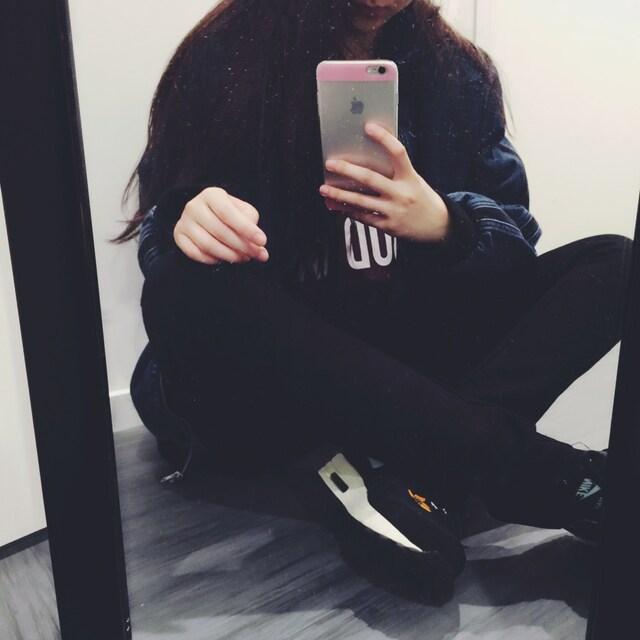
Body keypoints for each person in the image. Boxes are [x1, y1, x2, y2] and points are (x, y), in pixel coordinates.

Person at [114, 0, 631, 601]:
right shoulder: (228, 51)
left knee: (616, 263)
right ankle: (531, 470)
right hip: (281, 384)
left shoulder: (457, 71)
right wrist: (187, 217)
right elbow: (164, 217)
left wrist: (448, 225)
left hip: (408, 351)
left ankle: (417, 468)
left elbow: (516, 237)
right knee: (184, 287)